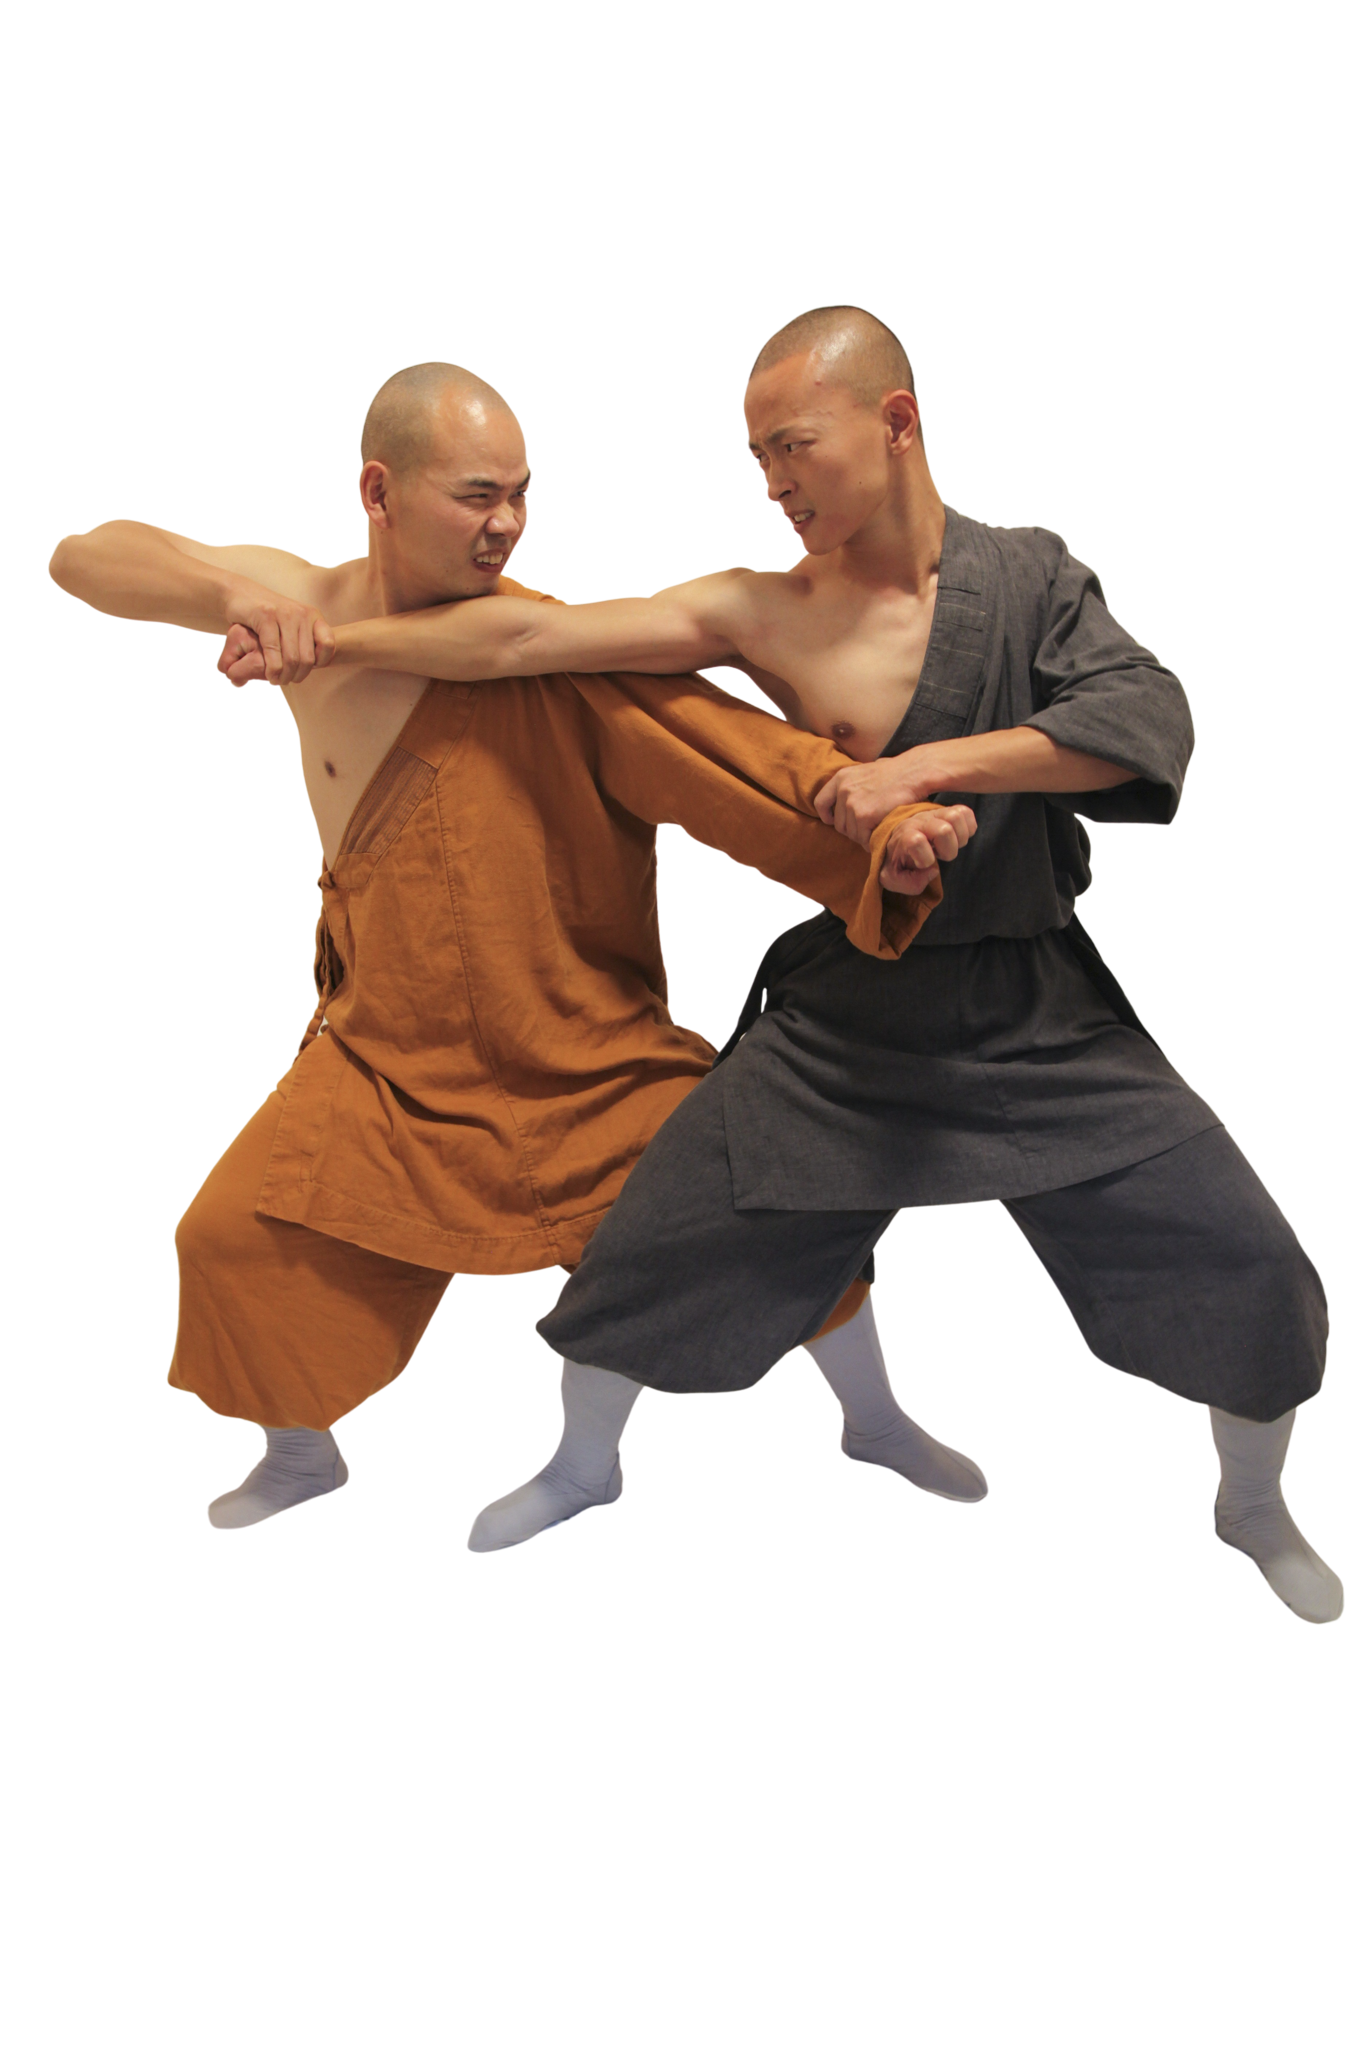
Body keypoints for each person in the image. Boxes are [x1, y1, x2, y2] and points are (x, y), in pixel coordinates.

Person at [282, 315, 1343, 1625]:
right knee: (653, 1237)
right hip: (848, 1013)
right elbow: (514, 645)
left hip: (1036, 1008)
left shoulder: (1029, 577)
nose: (773, 482)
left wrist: (927, 766)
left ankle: (1252, 1502)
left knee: (1241, 1254)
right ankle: (583, 1466)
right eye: (756, 455)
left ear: (894, 423)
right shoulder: (763, 606)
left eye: (792, 446)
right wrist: (330, 642)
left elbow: (1134, 725)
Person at [48, 361, 978, 1532]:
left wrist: (881, 821)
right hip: (391, 1048)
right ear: (380, 491)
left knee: (773, 1193)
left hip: (587, 1044)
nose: (508, 526)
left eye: (520, 496)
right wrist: (237, 601)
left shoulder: (552, 649)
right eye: (478, 496)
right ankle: (298, 1455)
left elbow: (736, 756)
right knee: (238, 1230)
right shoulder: (304, 601)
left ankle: (866, 1416)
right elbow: (86, 553)